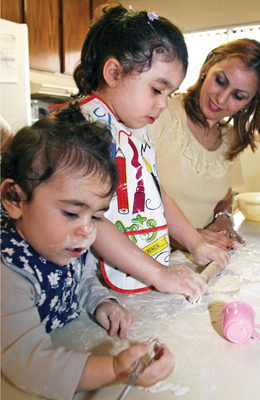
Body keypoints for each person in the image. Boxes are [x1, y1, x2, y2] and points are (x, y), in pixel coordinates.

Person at [1, 103, 174, 400]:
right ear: (14, 199)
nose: (87, 231)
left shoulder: (64, 241)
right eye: (71, 213)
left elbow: (79, 278)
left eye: (95, 216)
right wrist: (116, 369)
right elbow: (29, 365)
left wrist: (101, 301)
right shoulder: (9, 270)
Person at [69, 1, 230, 298]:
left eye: (170, 93)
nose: (163, 103)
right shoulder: (82, 133)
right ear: (114, 73)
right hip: (87, 289)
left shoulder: (135, 130)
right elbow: (90, 219)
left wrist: (196, 243)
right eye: (157, 89)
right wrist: (160, 275)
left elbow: (156, 195)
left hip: (126, 289)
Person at [147, 38, 260, 252]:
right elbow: (133, 196)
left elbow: (223, 200)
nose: (221, 98)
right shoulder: (161, 113)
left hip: (199, 260)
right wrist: (190, 238)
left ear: (249, 103)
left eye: (238, 95)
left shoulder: (230, 138)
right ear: (208, 67)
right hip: (144, 260)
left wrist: (224, 219)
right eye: (220, 81)